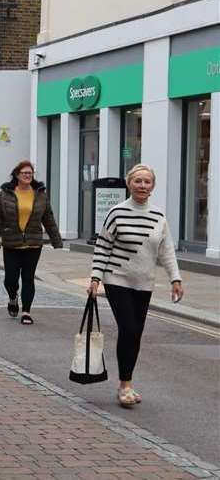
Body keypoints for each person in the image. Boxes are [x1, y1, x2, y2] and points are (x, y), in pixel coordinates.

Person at [87, 164, 183, 407]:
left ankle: (125, 382)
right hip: (117, 278)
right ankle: (125, 385)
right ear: (129, 184)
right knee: (129, 328)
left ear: (153, 186)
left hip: (144, 282)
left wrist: (176, 278)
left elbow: (167, 251)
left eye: (147, 182)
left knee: (136, 334)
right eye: (138, 181)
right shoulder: (117, 212)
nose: (142, 186)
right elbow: (103, 246)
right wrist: (95, 278)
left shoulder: (158, 216)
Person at [0, 160, 63, 325]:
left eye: (30, 173)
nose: (28, 176)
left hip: (33, 243)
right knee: (11, 278)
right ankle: (13, 297)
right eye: (25, 173)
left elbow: (48, 218)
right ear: (17, 175)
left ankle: (26, 312)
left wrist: (56, 239)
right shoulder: (5, 194)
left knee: (28, 278)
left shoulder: (40, 194)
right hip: (11, 243)